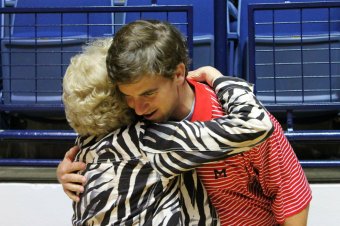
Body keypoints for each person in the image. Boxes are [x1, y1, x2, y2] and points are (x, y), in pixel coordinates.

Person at [58, 20, 312, 225]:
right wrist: (68, 170)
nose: (137, 106)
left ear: (179, 73)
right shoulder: (134, 123)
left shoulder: (235, 118)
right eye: (127, 96)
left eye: (148, 94)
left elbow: (291, 197)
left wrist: (217, 78)